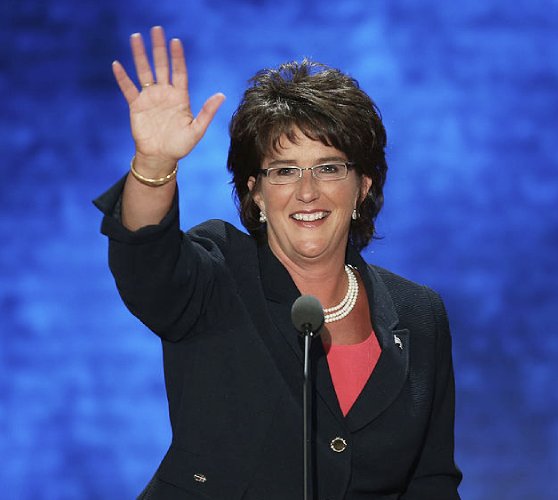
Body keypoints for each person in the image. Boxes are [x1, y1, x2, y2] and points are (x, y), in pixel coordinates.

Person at [95, 26, 462, 499]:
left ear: (362, 188)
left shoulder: (420, 313)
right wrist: (153, 164)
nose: (307, 191)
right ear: (257, 191)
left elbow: (430, 482)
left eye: (329, 167)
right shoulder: (220, 272)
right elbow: (146, 261)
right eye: (284, 170)